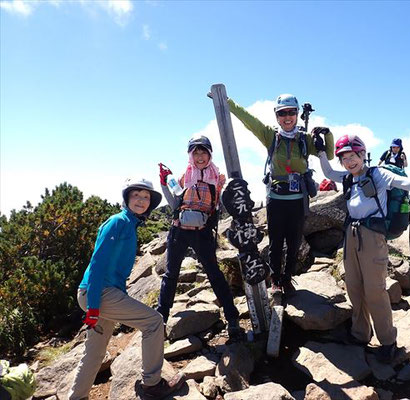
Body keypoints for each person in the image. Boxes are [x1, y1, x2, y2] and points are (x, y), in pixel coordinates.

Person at [315, 133, 410, 363]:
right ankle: (360, 334)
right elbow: (328, 174)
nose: (350, 161)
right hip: (351, 236)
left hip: (373, 237)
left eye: (353, 156)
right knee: (353, 287)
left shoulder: (378, 174)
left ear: (362, 154)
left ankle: (387, 341)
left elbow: (405, 182)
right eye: (344, 158)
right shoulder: (347, 177)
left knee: (375, 290)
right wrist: (322, 151)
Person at [69, 178, 184, 400]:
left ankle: (77, 397)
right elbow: (97, 264)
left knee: (94, 352)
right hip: (98, 293)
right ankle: (152, 384)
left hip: (101, 294)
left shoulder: (130, 224)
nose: (141, 200)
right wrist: (93, 307)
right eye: (136, 195)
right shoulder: (117, 222)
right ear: (127, 198)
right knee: (153, 322)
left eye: (146, 197)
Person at [227, 94, 335, 295]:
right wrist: (226, 101)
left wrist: (327, 134)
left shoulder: (305, 139)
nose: (287, 117)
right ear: (276, 116)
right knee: (276, 243)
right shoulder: (271, 136)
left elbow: (329, 154)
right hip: (276, 199)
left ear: (296, 114)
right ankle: (275, 280)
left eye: (291, 112)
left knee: (294, 243)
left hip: (297, 200)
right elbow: (249, 120)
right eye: (282, 113)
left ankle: (287, 279)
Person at [156, 135, 242, 339]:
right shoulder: (184, 177)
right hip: (179, 229)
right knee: (171, 275)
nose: (200, 156)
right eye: (196, 152)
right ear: (190, 155)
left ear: (210, 154)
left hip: (202, 231)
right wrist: (163, 184)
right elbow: (174, 203)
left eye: (204, 151)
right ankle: (160, 319)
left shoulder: (218, 178)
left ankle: (233, 318)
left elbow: (223, 203)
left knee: (214, 273)